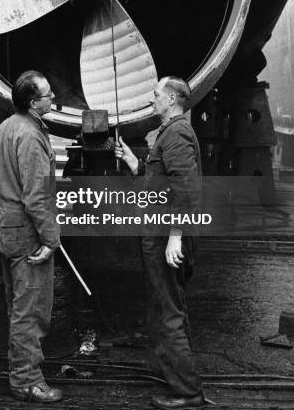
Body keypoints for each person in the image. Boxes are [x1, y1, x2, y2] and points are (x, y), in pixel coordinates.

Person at [115, 76, 204, 410]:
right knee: (165, 308)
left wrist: (176, 237)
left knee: (168, 313)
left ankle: (188, 392)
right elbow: (162, 181)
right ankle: (176, 377)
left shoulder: (177, 133)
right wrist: (134, 163)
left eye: (155, 95)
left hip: (168, 235)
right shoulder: (169, 132)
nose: (152, 100)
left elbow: (187, 189)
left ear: (170, 98)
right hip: (160, 232)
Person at [0, 70, 62, 403]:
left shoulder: (4, 128)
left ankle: (21, 373)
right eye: (48, 95)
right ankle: (27, 381)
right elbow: (37, 196)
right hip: (28, 234)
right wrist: (50, 239)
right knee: (30, 311)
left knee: (16, 306)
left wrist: (10, 203)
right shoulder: (31, 136)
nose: (53, 99)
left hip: (7, 227)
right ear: (34, 103)